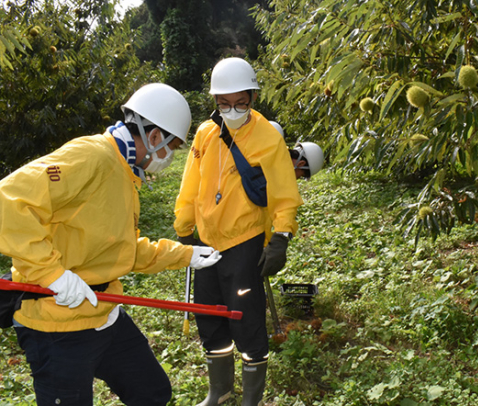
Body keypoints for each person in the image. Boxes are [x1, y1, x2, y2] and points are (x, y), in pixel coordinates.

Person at [0, 83, 222, 406]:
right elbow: (8, 202)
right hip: (58, 325)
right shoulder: (93, 156)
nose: (170, 157)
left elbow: (123, 249)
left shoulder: (124, 171)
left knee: (152, 392)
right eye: (172, 147)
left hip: (104, 312)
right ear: (154, 136)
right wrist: (53, 275)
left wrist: (186, 254)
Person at [174, 57, 303, 406]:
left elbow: (284, 193)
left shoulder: (267, 138)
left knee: (245, 321)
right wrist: (184, 227)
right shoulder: (205, 134)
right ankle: (219, 391)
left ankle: (251, 399)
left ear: (253, 97)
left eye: (240, 103)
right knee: (209, 317)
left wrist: (281, 237)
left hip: (244, 242)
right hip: (206, 244)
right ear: (215, 101)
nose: (232, 110)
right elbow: (190, 186)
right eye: (224, 104)